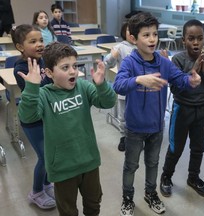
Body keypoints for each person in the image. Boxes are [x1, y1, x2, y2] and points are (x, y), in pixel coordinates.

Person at [113, 12, 201, 216]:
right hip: (134, 128)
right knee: (131, 165)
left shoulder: (163, 62)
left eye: (154, 34)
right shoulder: (130, 62)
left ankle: (150, 193)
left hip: (156, 126)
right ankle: (127, 198)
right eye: (146, 35)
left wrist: (191, 81)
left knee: (153, 163)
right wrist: (138, 80)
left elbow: (179, 79)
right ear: (134, 39)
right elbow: (118, 85)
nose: (152, 39)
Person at [18, 41, 116, 216]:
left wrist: (102, 85)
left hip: (89, 162)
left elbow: (107, 102)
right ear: (49, 72)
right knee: (68, 210)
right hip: (62, 168)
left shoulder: (84, 87)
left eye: (75, 66)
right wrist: (31, 88)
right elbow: (27, 116)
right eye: (65, 67)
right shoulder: (44, 95)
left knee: (93, 204)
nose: (73, 71)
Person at [160, 19, 204, 198]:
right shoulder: (178, 60)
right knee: (176, 147)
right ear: (184, 41)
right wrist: (192, 73)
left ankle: (193, 177)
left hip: (201, 110)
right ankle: (166, 175)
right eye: (191, 38)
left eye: (200, 38)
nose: (196, 42)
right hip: (182, 109)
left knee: (198, 147)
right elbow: (174, 88)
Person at [11, 24, 55, 209]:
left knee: (51, 154)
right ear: (20, 46)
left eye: (41, 40)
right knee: (44, 157)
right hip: (32, 119)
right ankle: (36, 192)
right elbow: (35, 91)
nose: (39, 44)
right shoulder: (21, 67)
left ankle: (46, 184)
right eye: (33, 41)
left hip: (47, 114)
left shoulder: (43, 60)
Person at [104, 21, 136, 152]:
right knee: (123, 115)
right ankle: (124, 137)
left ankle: (136, 137)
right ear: (124, 32)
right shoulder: (119, 47)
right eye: (129, 30)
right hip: (124, 87)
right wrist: (113, 56)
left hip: (138, 88)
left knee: (137, 113)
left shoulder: (141, 46)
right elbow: (107, 63)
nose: (132, 33)